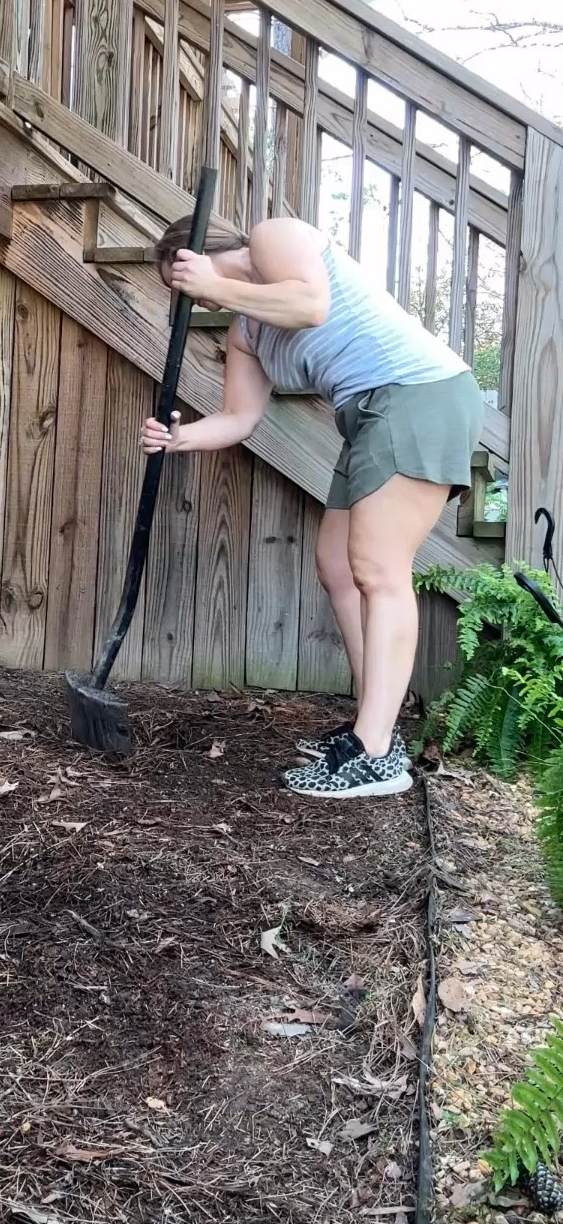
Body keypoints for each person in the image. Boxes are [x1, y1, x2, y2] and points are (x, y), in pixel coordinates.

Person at [141, 214, 484, 798]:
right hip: (367, 414)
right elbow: (239, 419)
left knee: (378, 567)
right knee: (336, 564)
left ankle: (375, 752)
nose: (191, 296)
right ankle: (371, 728)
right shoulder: (246, 331)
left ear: (202, 254)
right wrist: (178, 437)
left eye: (184, 280)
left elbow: (310, 305)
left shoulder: (274, 237)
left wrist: (215, 284)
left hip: (417, 395)